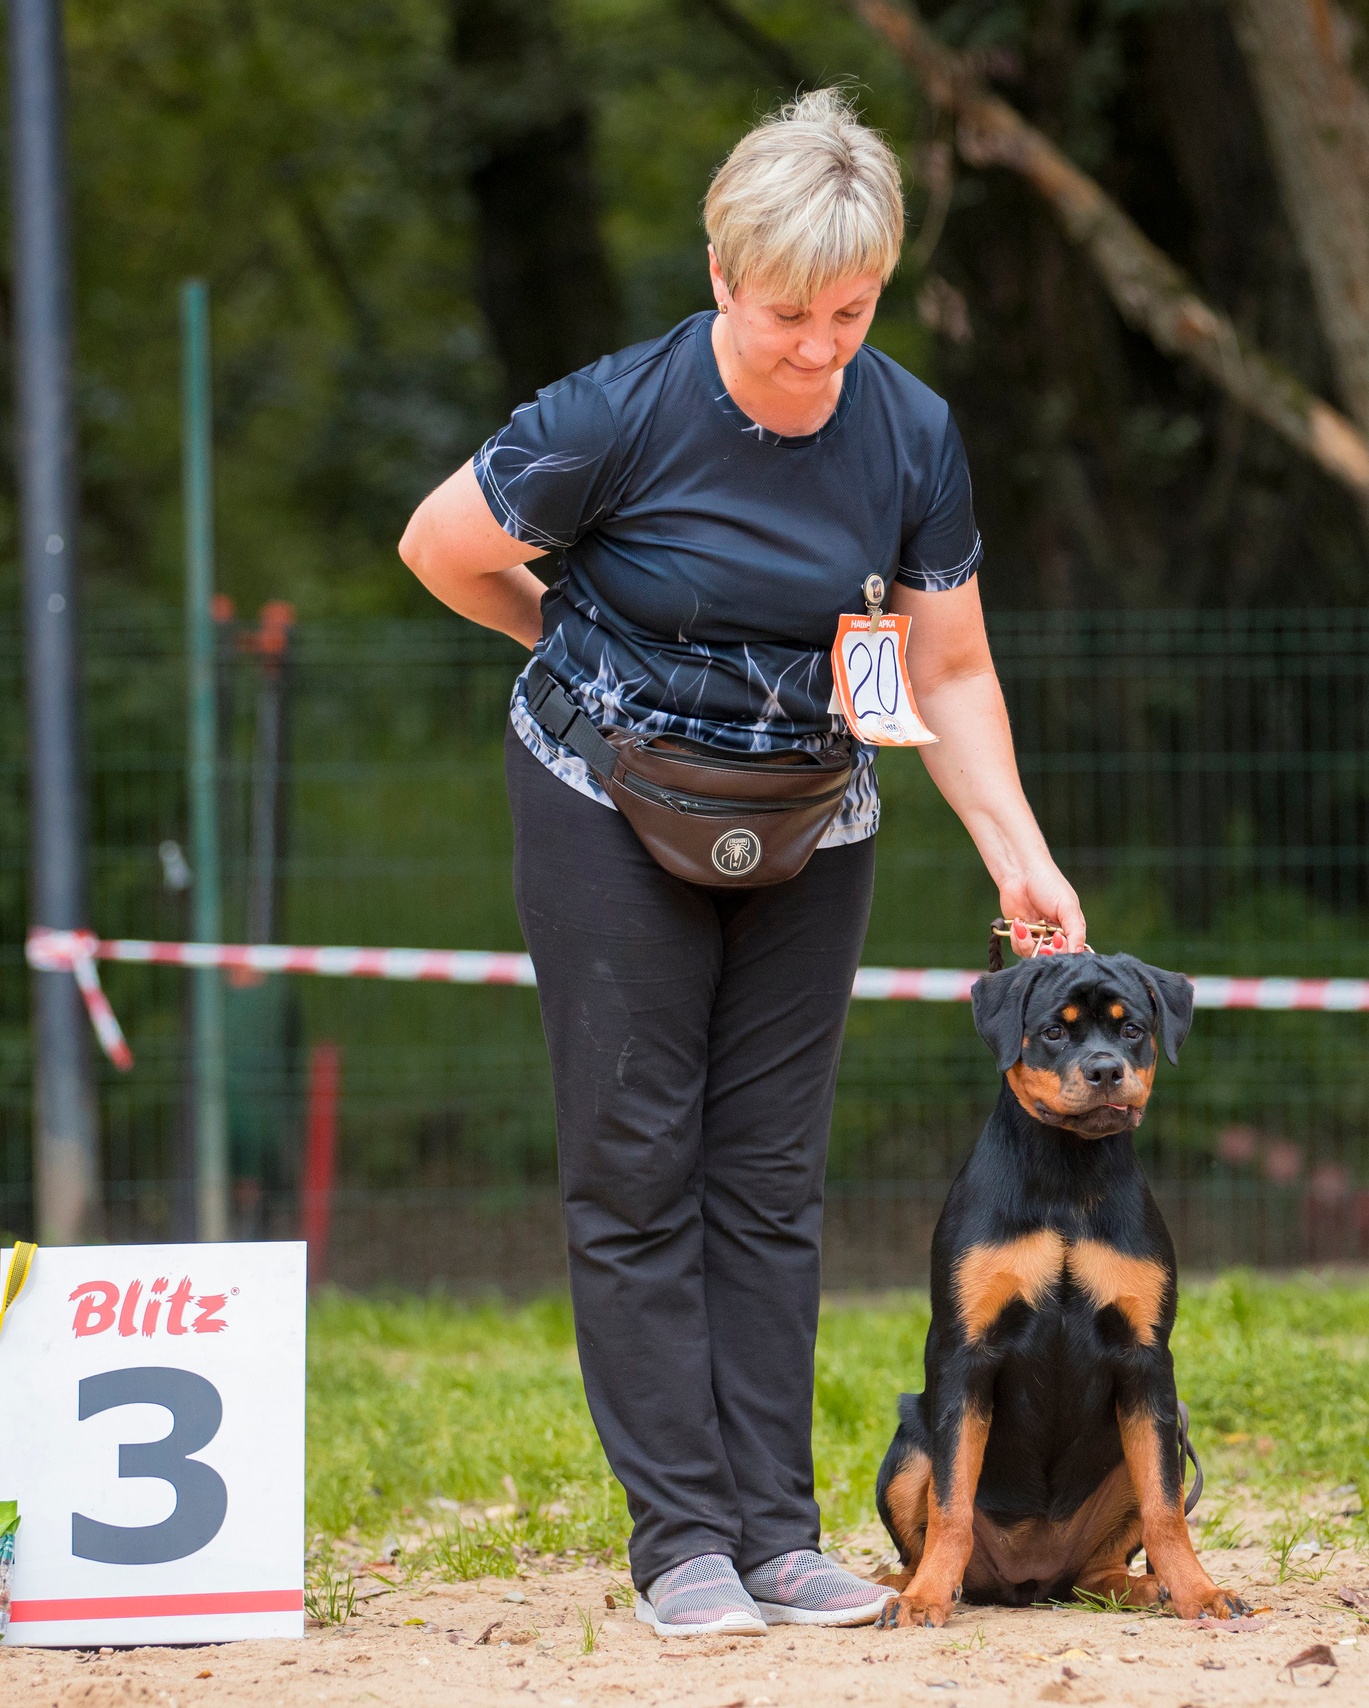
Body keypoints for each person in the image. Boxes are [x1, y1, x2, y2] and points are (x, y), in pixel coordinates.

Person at [397, 88, 1083, 1638]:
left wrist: (1021, 860)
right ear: (722, 273)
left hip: (811, 818)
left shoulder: (908, 429)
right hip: (601, 801)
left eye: (851, 313)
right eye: (789, 315)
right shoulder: (613, 415)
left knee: (769, 1174)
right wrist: (581, 654)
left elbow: (951, 670)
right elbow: (443, 544)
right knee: (636, 1166)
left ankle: (778, 1529)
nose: (821, 350)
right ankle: (682, 1543)